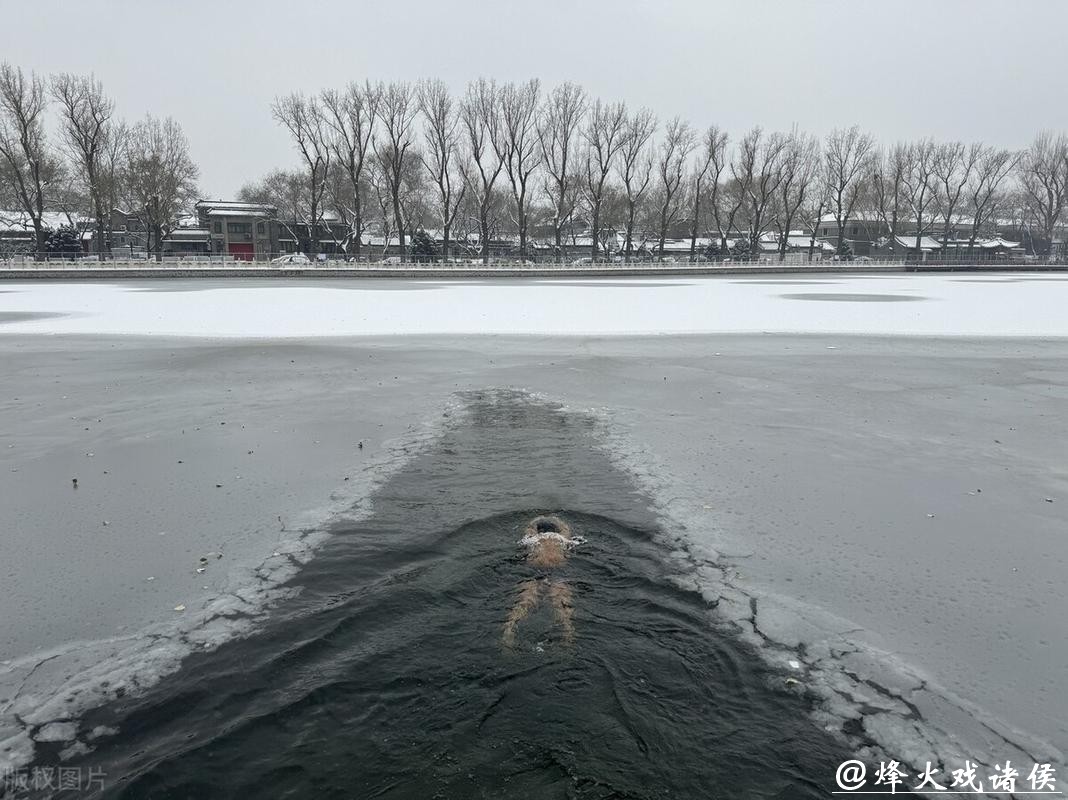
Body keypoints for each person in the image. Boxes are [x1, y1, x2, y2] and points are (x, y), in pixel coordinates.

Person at [502, 515, 580, 649]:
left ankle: (508, 630)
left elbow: (529, 527)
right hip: (558, 572)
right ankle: (568, 634)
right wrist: (554, 517)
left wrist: (538, 518)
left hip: (534, 572)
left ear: (538, 531)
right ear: (556, 531)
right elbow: (565, 527)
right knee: (562, 605)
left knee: (524, 602)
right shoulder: (562, 538)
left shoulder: (533, 539)